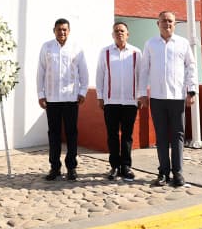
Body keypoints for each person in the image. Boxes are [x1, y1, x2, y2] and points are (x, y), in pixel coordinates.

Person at [138, 11, 197, 188]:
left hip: (177, 97)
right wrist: (142, 93)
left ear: (175, 24)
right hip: (157, 97)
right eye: (163, 21)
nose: (167, 23)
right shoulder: (150, 44)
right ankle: (163, 171)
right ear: (158, 24)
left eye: (170, 21)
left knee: (178, 135)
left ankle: (178, 173)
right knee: (162, 136)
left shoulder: (183, 43)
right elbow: (143, 70)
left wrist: (191, 91)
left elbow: (191, 67)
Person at [36, 18, 88, 181]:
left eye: (65, 29)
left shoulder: (76, 48)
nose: (62, 32)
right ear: (54, 30)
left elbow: (83, 72)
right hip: (52, 99)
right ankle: (55, 167)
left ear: (69, 31)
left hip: (71, 98)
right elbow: (41, 72)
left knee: (72, 133)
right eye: (59, 29)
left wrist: (83, 91)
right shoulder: (47, 47)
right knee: (54, 134)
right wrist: (40, 94)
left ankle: (71, 167)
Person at [95, 21, 141, 181]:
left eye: (122, 31)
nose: (119, 33)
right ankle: (114, 166)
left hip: (130, 101)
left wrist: (141, 95)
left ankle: (126, 166)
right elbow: (100, 75)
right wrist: (100, 96)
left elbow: (141, 76)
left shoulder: (136, 52)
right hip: (111, 101)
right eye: (116, 31)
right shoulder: (105, 52)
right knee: (112, 135)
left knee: (127, 136)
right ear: (112, 35)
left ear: (128, 34)